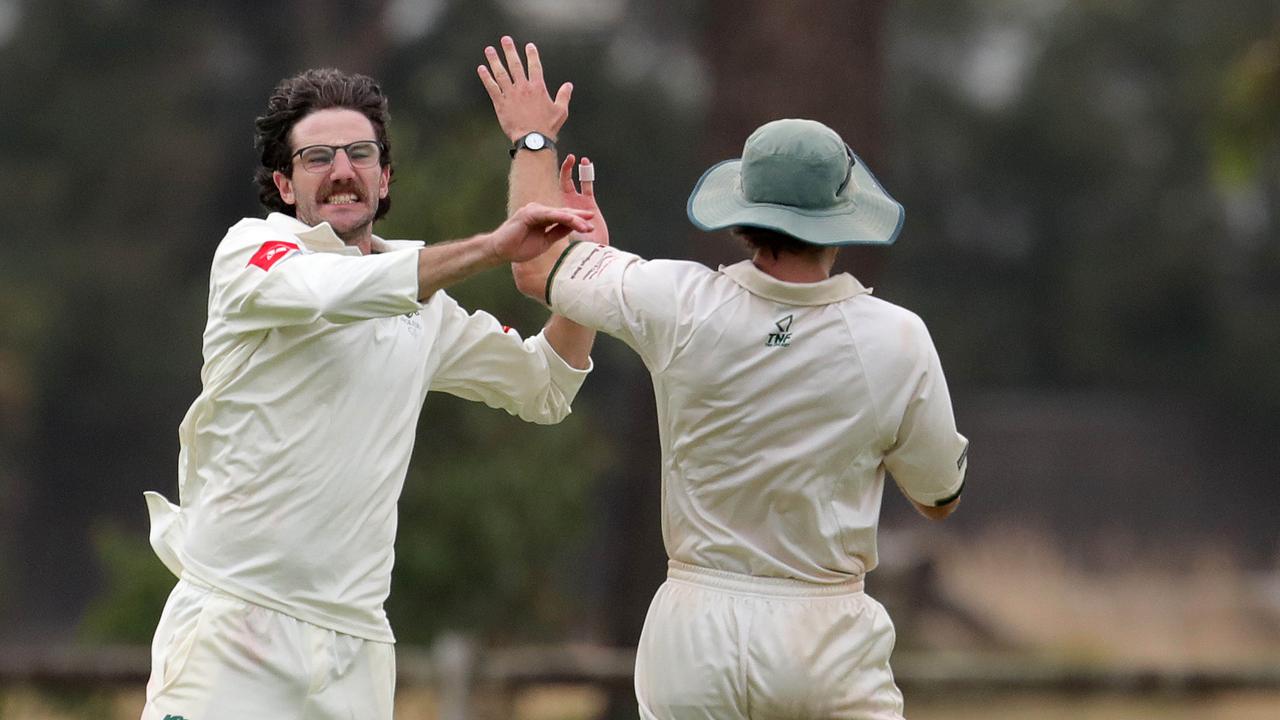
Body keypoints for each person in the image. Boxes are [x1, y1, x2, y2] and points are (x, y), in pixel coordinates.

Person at [480, 38, 968, 720]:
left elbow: (536, 269)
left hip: (693, 630)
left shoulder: (673, 300)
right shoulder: (897, 338)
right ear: (842, 218)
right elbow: (939, 496)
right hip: (822, 635)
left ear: (742, 215)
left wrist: (533, 138)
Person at [139, 67, 602, 720]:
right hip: (236, 624)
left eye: (360, 154)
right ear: (283, 183)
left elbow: (545, 385)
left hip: (357, 648)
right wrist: (495, 248)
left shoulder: (425, 307)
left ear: (384, 177)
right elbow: (341, 290)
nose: (341, 170)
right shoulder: (254, 254)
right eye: (316, 157)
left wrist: (582, 274)